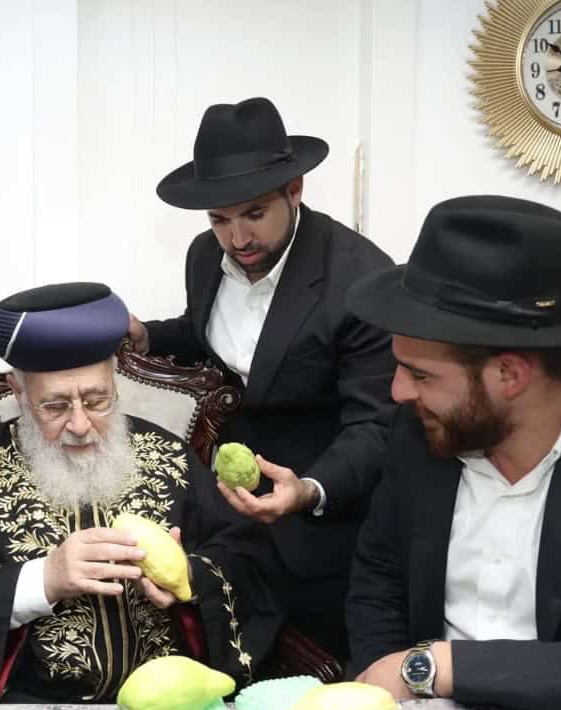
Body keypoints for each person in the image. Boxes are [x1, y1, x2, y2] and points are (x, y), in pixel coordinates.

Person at [343, 195, 561, 710]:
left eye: (421, 375)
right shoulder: (420, 429)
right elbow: (378, 582)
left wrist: (435, 667)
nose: (398, 391)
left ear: (510, 375)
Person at [0, 282, 281, 703]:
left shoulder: (170, 456)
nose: (80, 425)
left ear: (115, 382)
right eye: (55, 406)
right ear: (19, 393)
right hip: (32, 708)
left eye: (97, 400)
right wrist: (42, 580)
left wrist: (189, 575)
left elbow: (248, 558)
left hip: (170, 701)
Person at [126, 96, 395, 660]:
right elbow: (215, 334)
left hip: (322, 534)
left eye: (253, 215)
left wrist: (309, 490)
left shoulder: (361, 279)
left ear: (294, 190)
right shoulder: (205, 257)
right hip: (226, 520)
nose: (237, 238)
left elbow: (376, 426)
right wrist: (149, 336)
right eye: (219, 220)